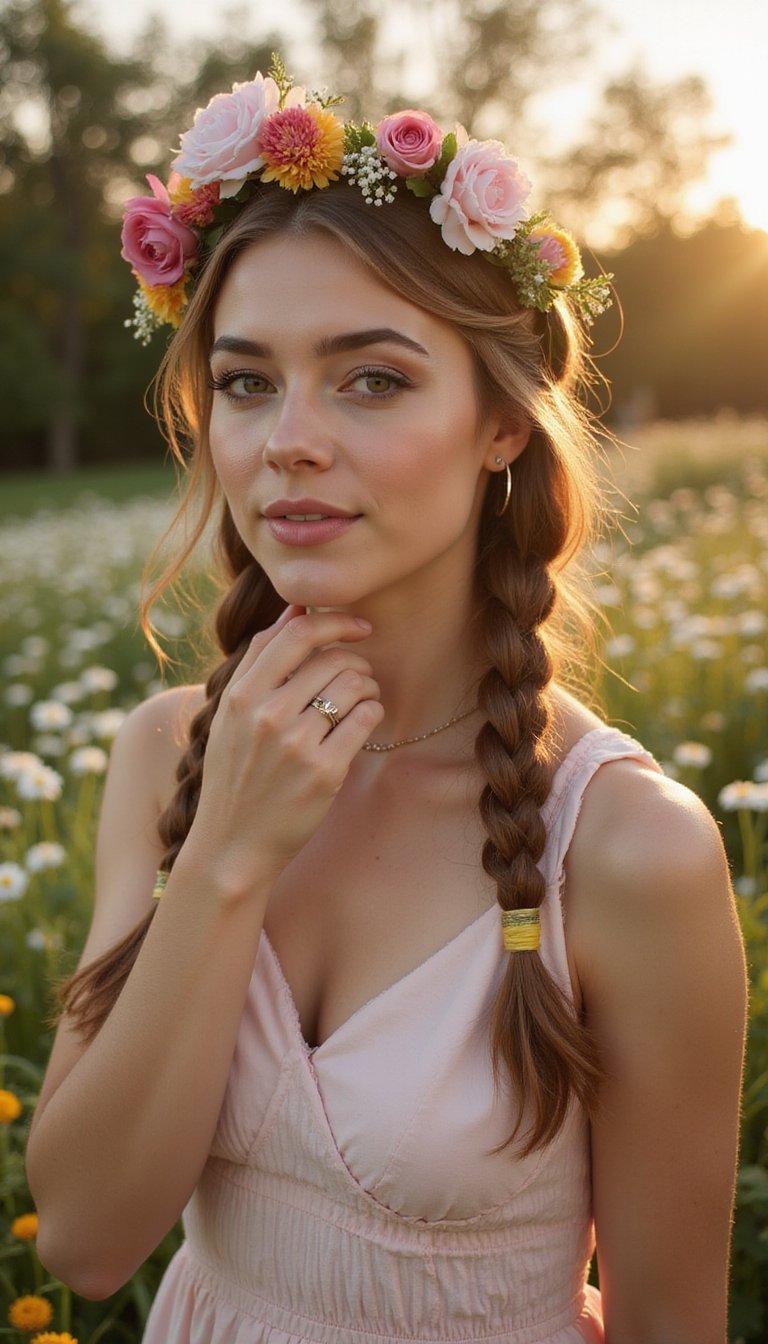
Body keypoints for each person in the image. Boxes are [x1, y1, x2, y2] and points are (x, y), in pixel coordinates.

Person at [26, 58, 746, 1344]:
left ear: (501, 426)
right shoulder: (164, 755)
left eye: (372, 378)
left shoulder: (631, 851)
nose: (287, 439)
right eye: (247, 382)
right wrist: (225, 862)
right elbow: (83, 1241)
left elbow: (668, 1324)